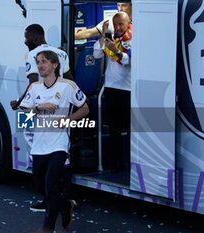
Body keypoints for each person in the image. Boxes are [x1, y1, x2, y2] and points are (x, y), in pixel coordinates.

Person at [19, 50, 89, 232]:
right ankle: (65, 204)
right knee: (40, 187)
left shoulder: (68, 86)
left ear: (55, 65)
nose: (40, 65)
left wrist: (68, 120)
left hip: (58, 144)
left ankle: (48, 227)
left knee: (51, 185)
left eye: (43, 62)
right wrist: (37, 107)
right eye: (38, 62)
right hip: (38, 146)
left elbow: (85, 109)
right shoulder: (34, 88)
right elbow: (23, 118)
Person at [10, 24, 74, 213]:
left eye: (27, 38)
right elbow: (70, 78)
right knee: (63, 152)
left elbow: (33, 84)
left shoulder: (34, 55)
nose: (25, 41)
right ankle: (66, 196)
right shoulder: (60, 54)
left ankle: (48, 199)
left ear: (36, 38)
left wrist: (18, 103)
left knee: (37, 149)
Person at [93, 11, 132, 172]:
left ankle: (131, 163)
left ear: (128, 23)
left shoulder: (132, 39)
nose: (117, 27)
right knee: (114, 129)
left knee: (130, 129)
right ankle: (116, 164)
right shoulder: (112, 39)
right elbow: (96, 54)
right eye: (115, 25)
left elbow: (129, 60)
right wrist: (103, 35)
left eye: (120, 24)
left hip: (127, 90)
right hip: (111, 89)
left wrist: (115, 50)